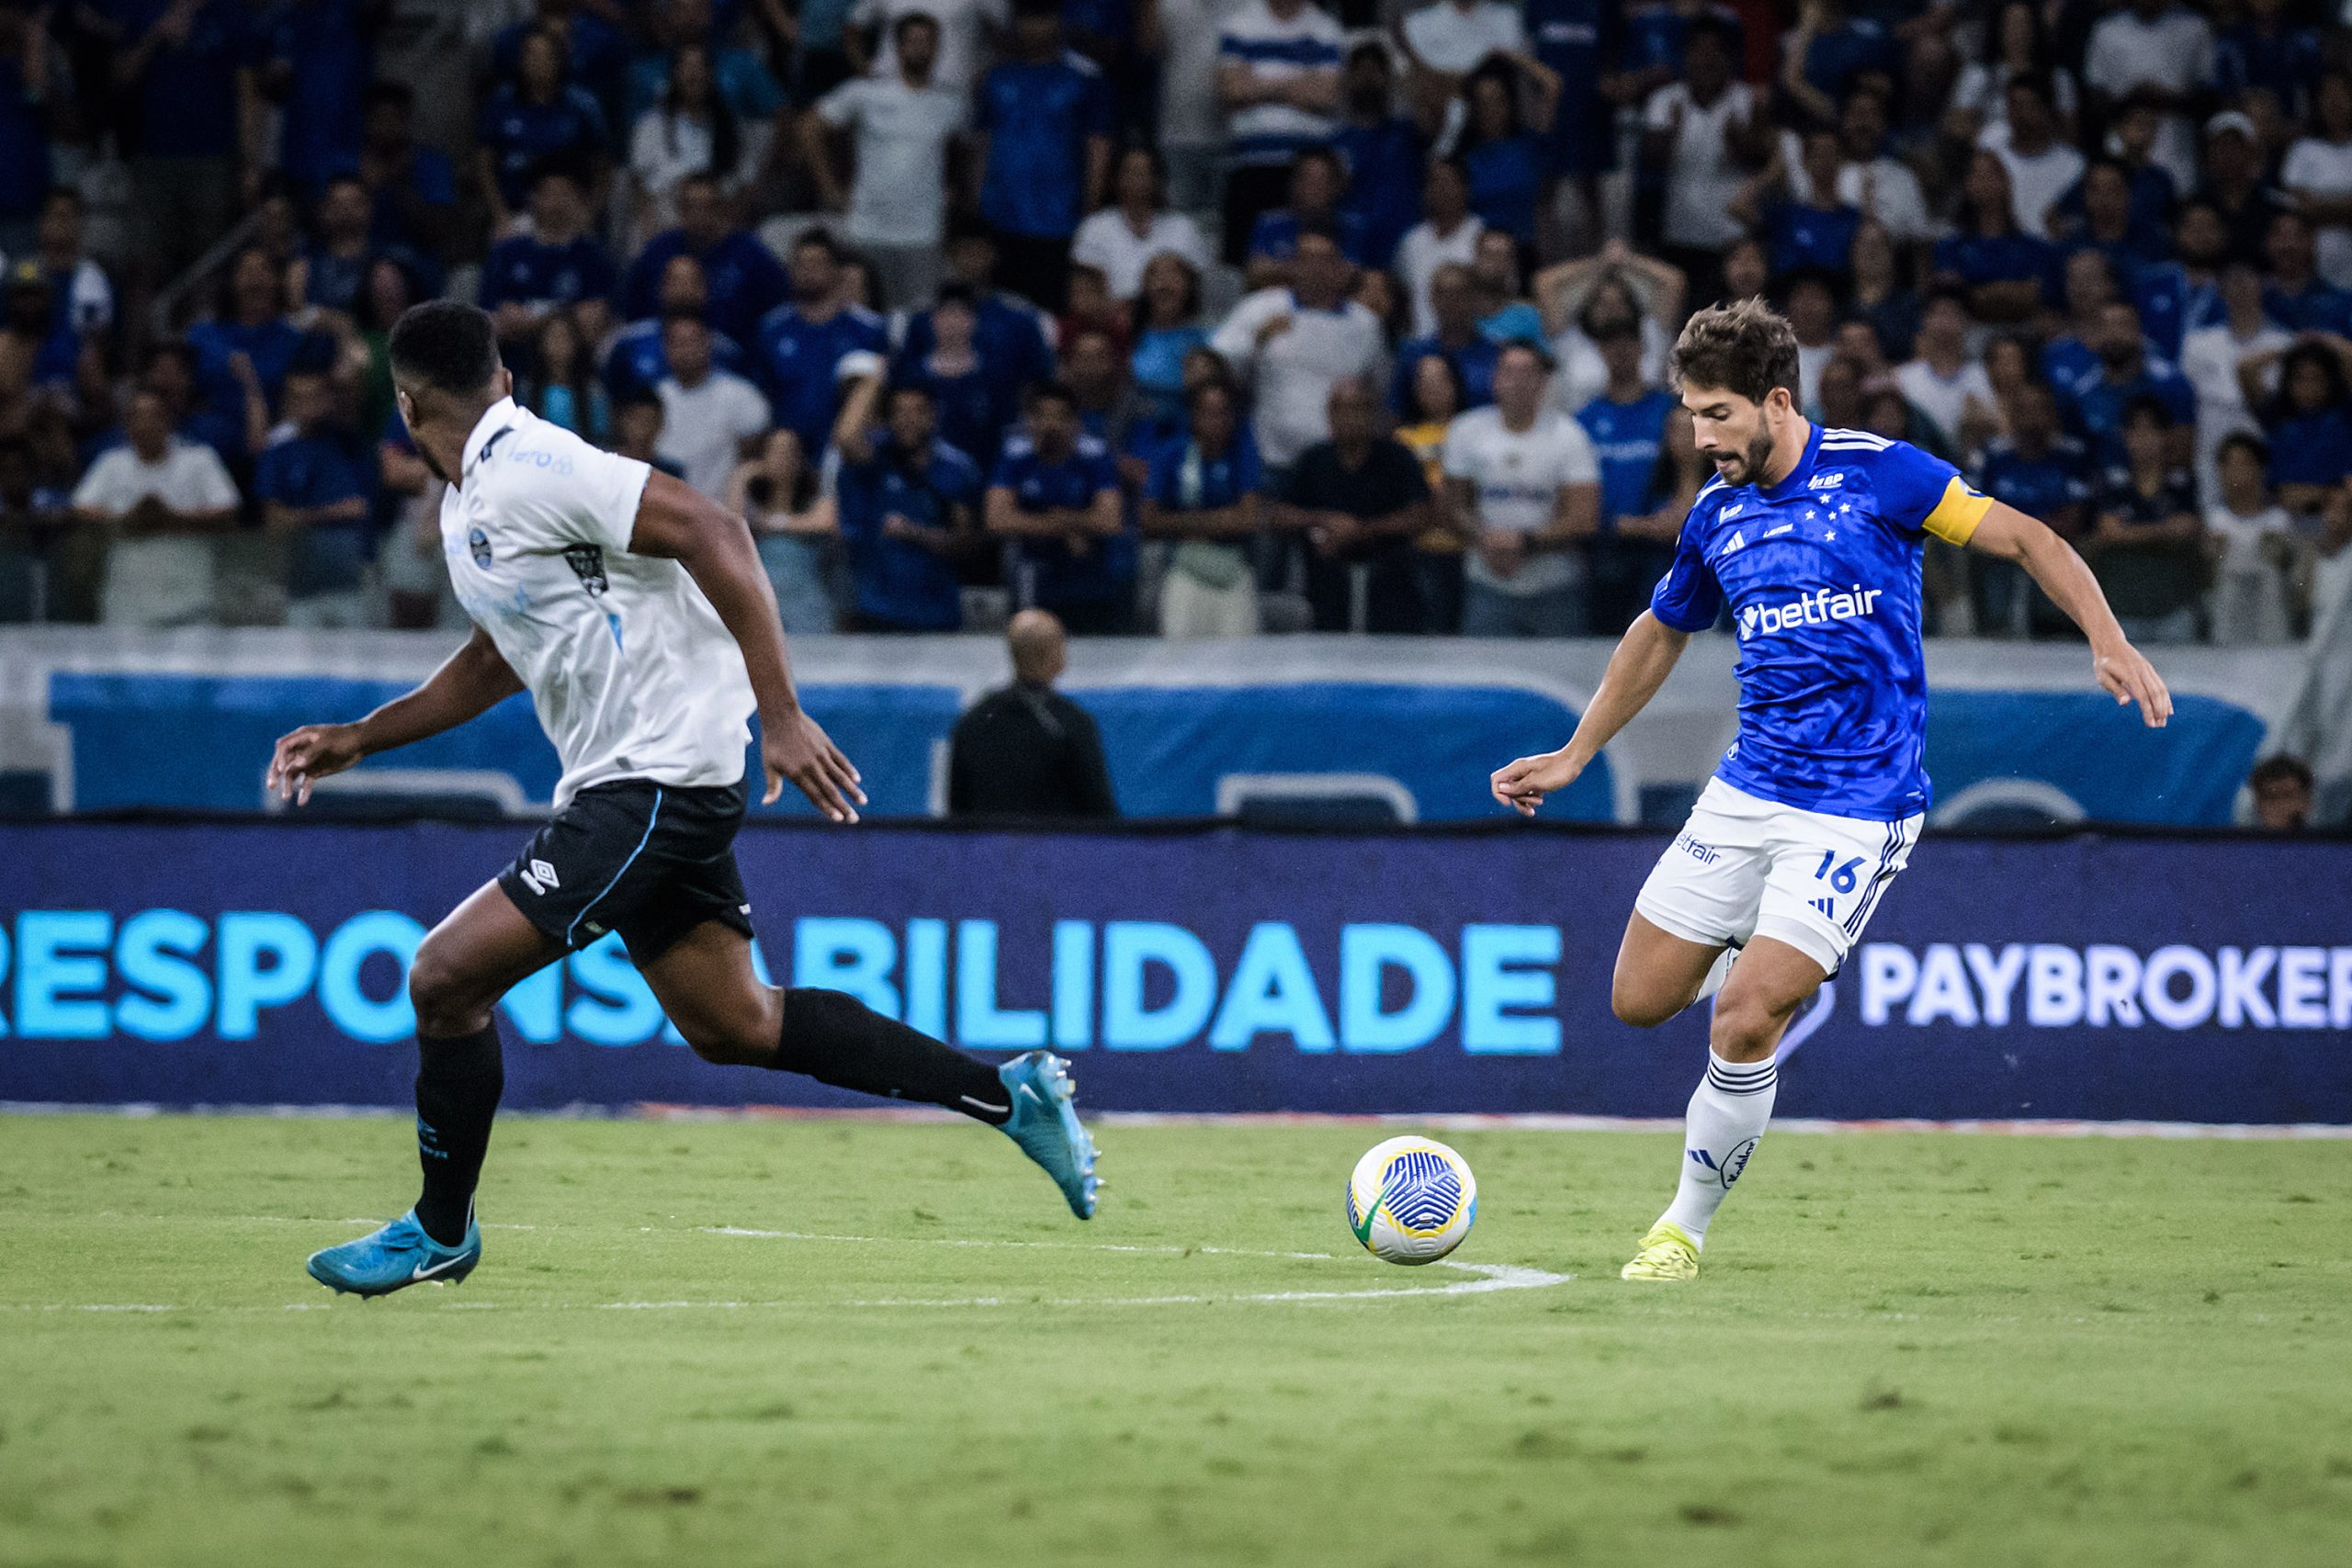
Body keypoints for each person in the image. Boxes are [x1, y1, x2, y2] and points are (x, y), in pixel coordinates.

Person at [277, 301, 1100, 1299]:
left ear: (407, 405)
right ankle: (1008, 1097)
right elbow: (504, 655)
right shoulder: (471, 505)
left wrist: (782, 714)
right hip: (637, 781)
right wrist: (366, 735)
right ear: (497, 373)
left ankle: (438, 1229)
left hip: (656, 780)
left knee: (445, 979)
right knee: (734, 1024)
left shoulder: (535, 466)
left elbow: (717, 529)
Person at [1488, 299, 2172, 1282]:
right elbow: (1660, 630)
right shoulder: (1716, 514)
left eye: (1717, 413)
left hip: (1858, 805)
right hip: (1746, 790)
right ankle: (1774, 953)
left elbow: (2027, 540)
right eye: (1690, 414)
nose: (1701, 436)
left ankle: (1679, 1228)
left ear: (1774, 401)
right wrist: (1575, 750)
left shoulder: (1880, 473)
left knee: (1745, 1017)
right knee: (1638, 1001)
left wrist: (2105, 636)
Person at [805, 11, 967, 310]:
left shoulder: (951, 103)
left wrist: (955, 191)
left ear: (937, 48)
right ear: (898, 46)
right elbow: (810, 127)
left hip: (923, 232)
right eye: (912, 41)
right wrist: (829, 186)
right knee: (861, 311)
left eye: (927, 42)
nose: (920, 48)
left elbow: (965, 152)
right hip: (868, 227)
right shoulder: (867, 93)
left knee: (917, 318)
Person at [1210, 226, 1385, 488]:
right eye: (1306, 259)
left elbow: (1378, 387)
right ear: (1292, 265)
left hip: (1341, 465)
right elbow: (1215, 367)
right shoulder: (1260, 307)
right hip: (1273, 462)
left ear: (1340, 267)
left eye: (1324, 260)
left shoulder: (1366, 323)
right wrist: (1256, 340)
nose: (1314, 269)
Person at [1446, 340, 1600, 637]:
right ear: (1495, 379)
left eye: (1527, 373)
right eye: (1509, 372)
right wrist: (1485, 537)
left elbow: (1584, 518)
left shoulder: (1569, 436)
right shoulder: (1467, 431)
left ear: (1543, 382)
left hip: (1555, 587)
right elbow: (1454, 506)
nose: (1517, 383)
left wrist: (1524, 541)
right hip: (1487, 583)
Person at [972, 0, 1114, 313]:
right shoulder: (997, 78)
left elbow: (1097, 145)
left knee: (1052, 311)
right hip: (1001, 213)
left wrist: (1091, 202)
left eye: (1043, 18)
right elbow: (983, 143)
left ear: (1059, 21)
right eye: (1027, 19)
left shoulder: (1083, 78)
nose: (1035, 28)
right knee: (1003, 309)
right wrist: (975, 200)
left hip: (1059, 217)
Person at [70, 386, 243, 628]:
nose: (145, 424)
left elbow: (227, 509)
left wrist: (170, 518)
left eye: (153, 415)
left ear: (169, 420)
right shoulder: (111, 463)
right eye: (137, 416)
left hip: (191, 598)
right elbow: (81, 509)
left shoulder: (199, 459)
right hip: (127, 600)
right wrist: (128, 518)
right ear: (126, 424)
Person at [1276, 375, 1435, 634]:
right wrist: (1323, 520)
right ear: (1330, 415)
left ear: (1374, 414)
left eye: (1360, 408)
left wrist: (1361, 531)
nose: (1351, 417)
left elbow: (1421, 514)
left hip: (1391, 589)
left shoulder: (1398, 458)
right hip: (1325, 589)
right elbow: (1279, 514)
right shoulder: (1313, 459)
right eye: (1342, 409)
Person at [828, 371, 982, 632]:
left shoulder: (957, 468)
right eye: (899, 412)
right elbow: (846, 438)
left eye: (917, 412)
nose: (907, 420)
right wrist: (874, 379)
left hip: (937, 613)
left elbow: (966, 543)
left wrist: (914, 533)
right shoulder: (877, 458)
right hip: (876, 609)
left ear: (932, 416)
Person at [987, 381, 1131, 633]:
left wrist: (1051, 518)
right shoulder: (1015, 457)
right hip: (1035, 580)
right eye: (1041, 416)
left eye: (1059, 417)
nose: (1050, 425)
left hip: (1090, 579)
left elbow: (1110, 520)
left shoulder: (1095, 456)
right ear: (1028, 421)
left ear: (1075, 422)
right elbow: (997, 519)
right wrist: (1068, 527)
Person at [946, 609, 1118, 818]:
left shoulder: (973, 722)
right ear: (1056, 656)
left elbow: (956, 814)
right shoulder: (1070, 723)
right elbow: (1100, 811)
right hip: (1058, 846)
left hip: (989, 846)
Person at [1216, 0, 1345, 268]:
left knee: (1314, 255)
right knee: (1245, 261)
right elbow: (1232, 90)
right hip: (1252, 165)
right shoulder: (1240, 25)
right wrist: (1298, 83)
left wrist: (1260, 84)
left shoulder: (1325, 29)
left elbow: (1325, 95)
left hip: (1309, 170)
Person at [255, 364, 378, 628]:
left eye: (316, 395)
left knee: (358, 660)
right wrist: (326, 514)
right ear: (287, 402)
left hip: (352, 579)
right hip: (299, 585)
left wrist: (300, 517)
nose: (308, 404)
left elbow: (357, 508)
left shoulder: (349, 445)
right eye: (299, 397)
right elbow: (274, 519)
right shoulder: (278, 454)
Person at [1142, 378, 1265, 637]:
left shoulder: (1243, 452)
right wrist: (1222, 520)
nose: (1215, 421)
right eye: (1208, 412)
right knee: (1178, 658)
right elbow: (1149, 521)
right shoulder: (1171, 453)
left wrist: (1181, 523)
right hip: (1185, 569)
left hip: (1234, 569)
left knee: (1239, 661)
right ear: (1193, 415)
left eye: (1223, 413)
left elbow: (1248, 519)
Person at [754, 229, 888, 456]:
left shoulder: (868, 329)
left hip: (845, 451)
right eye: (800, 264)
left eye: (816, 263)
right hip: (788, 451)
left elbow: (880, 399)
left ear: (836, 271)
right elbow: (762, 394)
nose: (807, 271)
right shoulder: (772, 329)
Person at [618, 174, 791, 348]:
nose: (698, 215)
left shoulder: (751, 254)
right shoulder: (658, 251)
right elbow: (632, 311)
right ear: (680, 210)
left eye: (707, 207)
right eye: (690, 207)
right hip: (663, 354)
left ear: (722, 208)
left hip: (736, 359)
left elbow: (778, 314)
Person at [627, 40, 768, 246]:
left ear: (710, 75)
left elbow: (745, 184)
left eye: (699, 67)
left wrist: (729, 221)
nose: (693, 74)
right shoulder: (650, 125)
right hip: (667, 211)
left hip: (718, 211)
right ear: (675, 74)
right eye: (686, 67)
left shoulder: (732, 126)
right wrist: (648, 220)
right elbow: (639, 183)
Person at [476, 26, 610, 236]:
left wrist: (589, 213)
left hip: (570, 212)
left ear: (558, 61)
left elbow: (602, 169)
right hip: (516, 211)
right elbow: (485, 165)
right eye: (530, 55)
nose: (537, 63)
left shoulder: (582, 106)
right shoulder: (501, 103)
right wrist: (500, 215)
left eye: (545, 56)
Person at [479, 170, 618, 348]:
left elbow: (594, 319)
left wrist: (536, 321)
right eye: (549, 193)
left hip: (577, 363)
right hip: (512, 359)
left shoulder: (595, 256)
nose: (557, 202)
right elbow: (491, 317)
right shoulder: (507, 252)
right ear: (534, 198)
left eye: (564, 194)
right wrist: (563, 316)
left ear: (578, 200)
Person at [724, 427, 839, 636]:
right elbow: (731, 532)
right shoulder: (751, 507)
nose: (783, 458)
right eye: (776, 451)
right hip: (762, 604)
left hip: (807, 607)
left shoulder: (814, 502)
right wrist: (742, 475)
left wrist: (769, 523)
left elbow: (825, 522)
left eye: (790, 451)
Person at [1071, 145, 1212, 304]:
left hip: (1168, 320)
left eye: (1145, 172)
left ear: (1158, 179)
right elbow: (1086, 290)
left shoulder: (1183, 228)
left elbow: (1196, 287)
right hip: (1112, 321)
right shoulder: (1094, 227)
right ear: (1115, 178)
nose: (1137, 179)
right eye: (1130, 172)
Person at [653, 313, 773, 500]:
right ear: (666, 348)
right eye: (677, 343)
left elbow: (752, 460)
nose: (684, 351)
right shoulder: (654, 398)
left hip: (720, 510)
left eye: (691, 342)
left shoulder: (741, 396)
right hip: (666, 506)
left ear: (707, 343)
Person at [2203, 432, 2296, 646]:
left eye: (2243, 463)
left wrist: (2276, 546)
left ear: (2259, 469)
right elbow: (2208, 572)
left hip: (2268, 611)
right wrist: (2211, 550)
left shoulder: (2277, 519)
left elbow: (2285, 563)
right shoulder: (2216, 519)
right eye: (2229, 464)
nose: (2236, 472)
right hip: (2229, 611)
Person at [1395, 157, 1484, 340]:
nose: (1442, 190)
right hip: (1423, 343)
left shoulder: (1481, 234)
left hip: (1469, 342)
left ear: (1465, 187)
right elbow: (1404, 298)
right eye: (1435, 182)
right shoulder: (1412, 241)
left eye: (1449, 182)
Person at [2247, 753, 2314, 830]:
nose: (2280, 804)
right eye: (2272, 797)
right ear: (2258, 805)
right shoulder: (2241, 841)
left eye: (2287, 795)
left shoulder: (2323, 841)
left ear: (2307, 801)